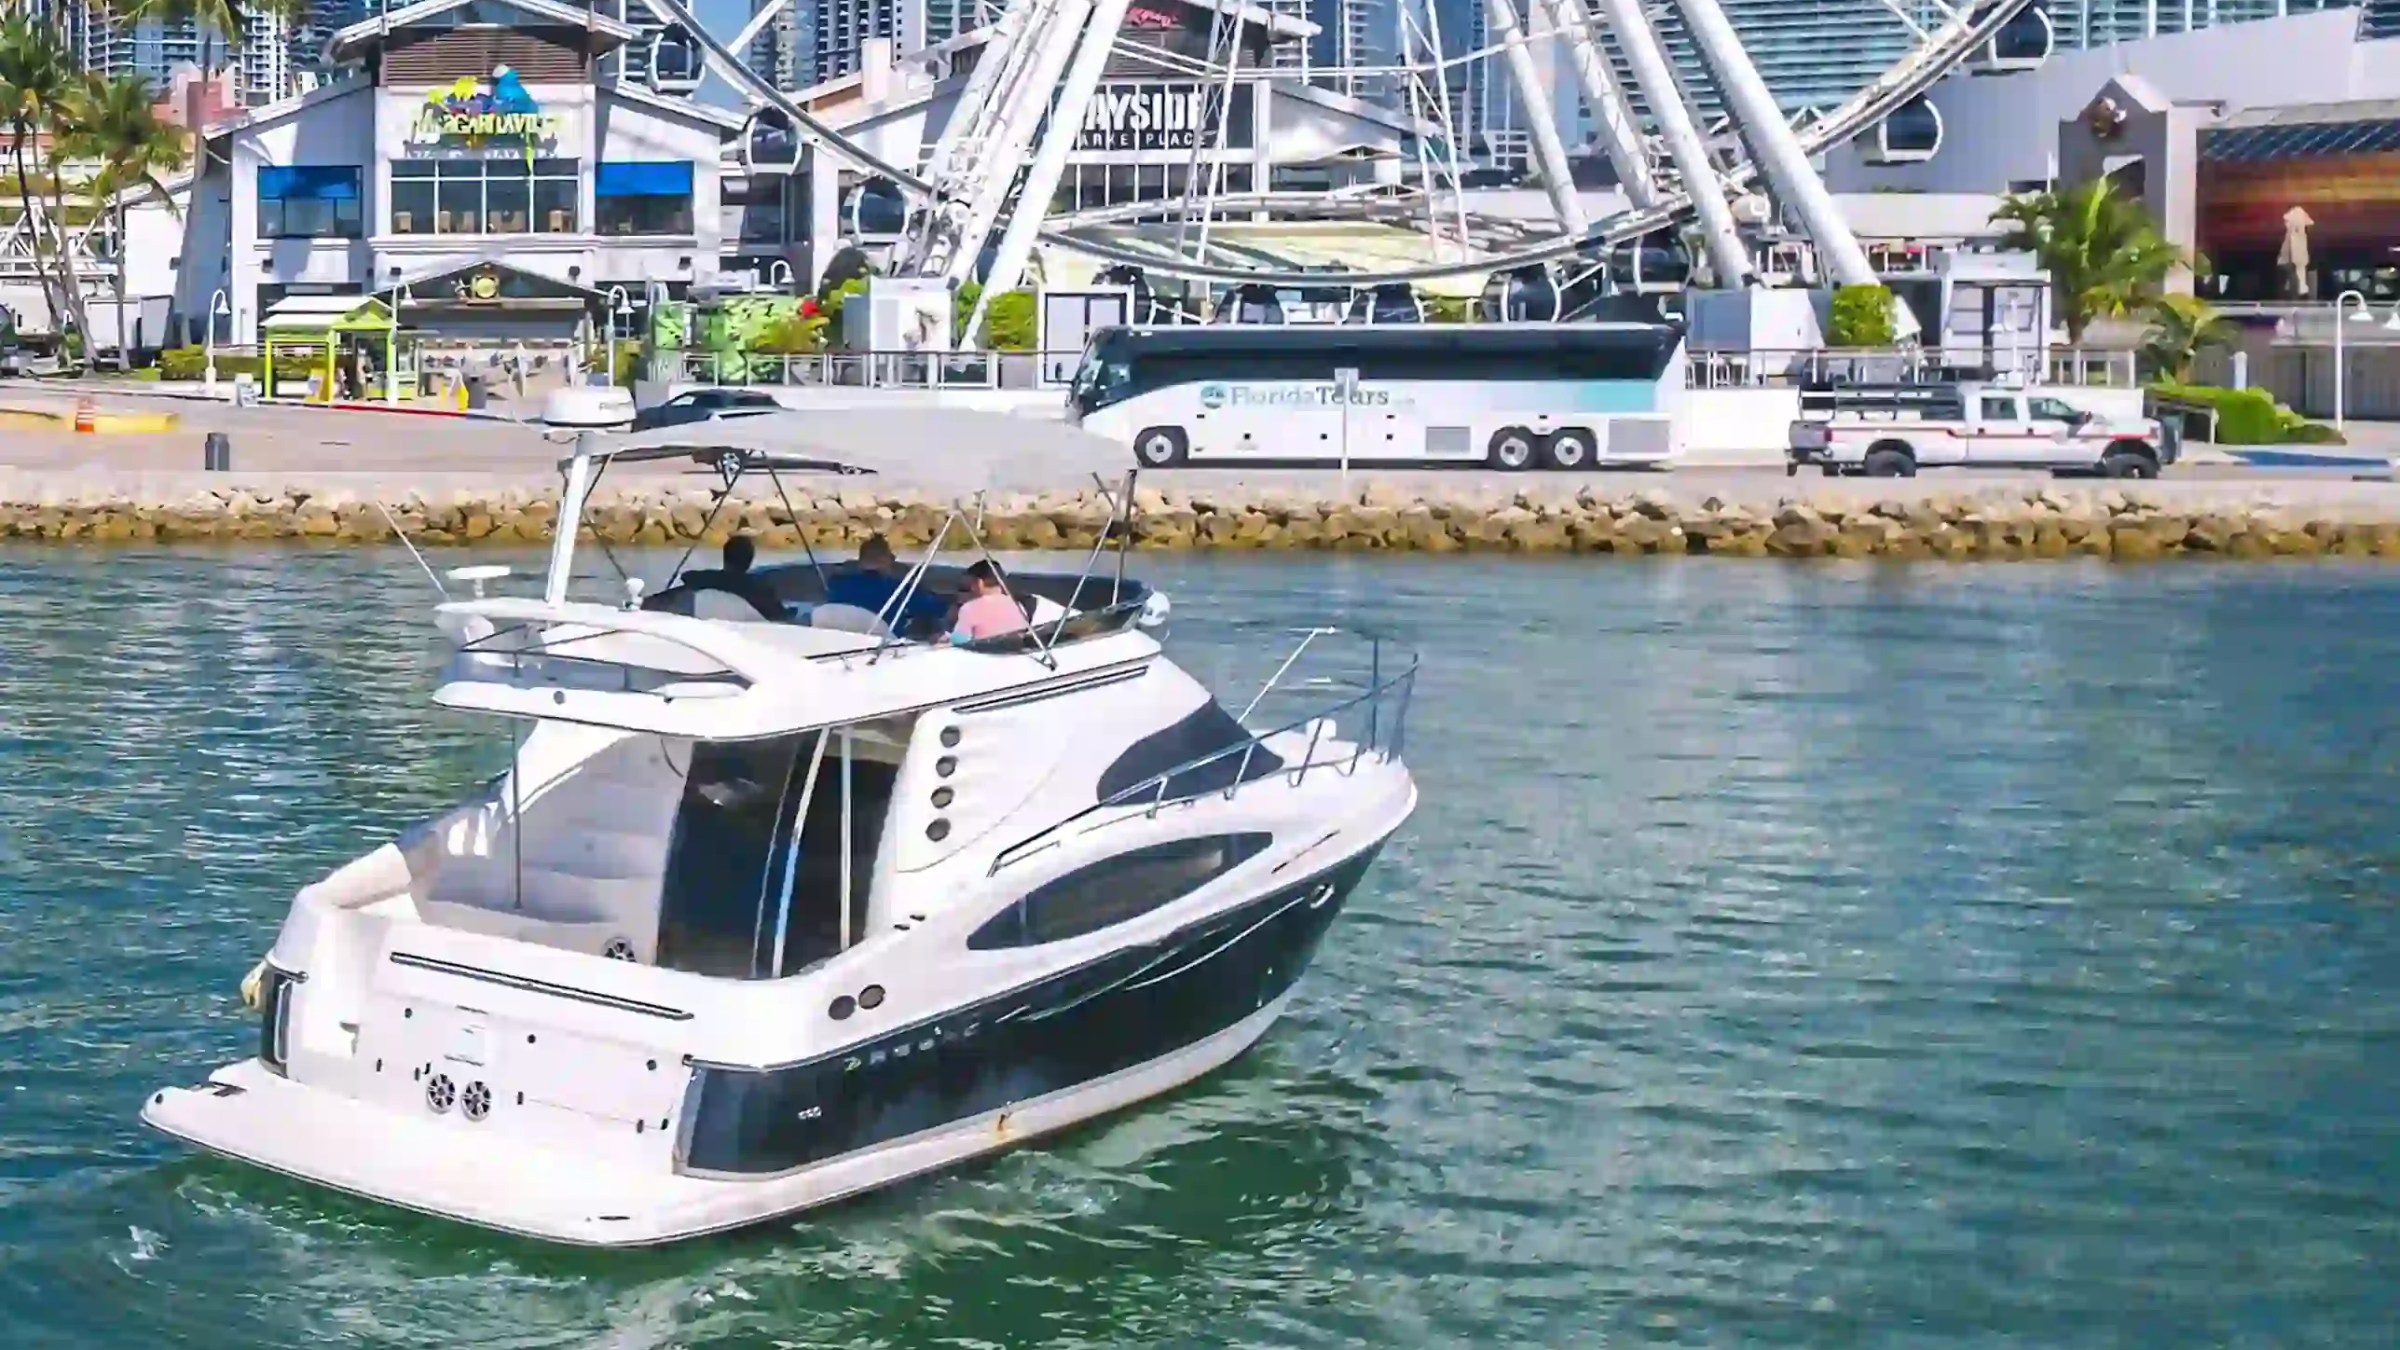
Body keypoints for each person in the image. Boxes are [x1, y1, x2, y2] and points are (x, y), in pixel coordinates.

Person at [823, 534, 944, 630]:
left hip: (843, 638)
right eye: (891, 558)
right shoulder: (898, 588)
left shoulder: (836, 583)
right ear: (884, 559)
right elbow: (934, 609)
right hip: (884, 645)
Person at [677, 534, 786, 620]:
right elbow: (780, 617)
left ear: (725, 556)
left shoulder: (704, 579)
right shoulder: (760, 589)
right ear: (750, 560)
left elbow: (686, 577)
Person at [950, 559, 1030, 644]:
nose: (971, 589)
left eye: (970, 585)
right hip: (1013, 653)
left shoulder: (970, 608)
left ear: (979, 583)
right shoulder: (1018, 606)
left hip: (984, 654)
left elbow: (958, 641)